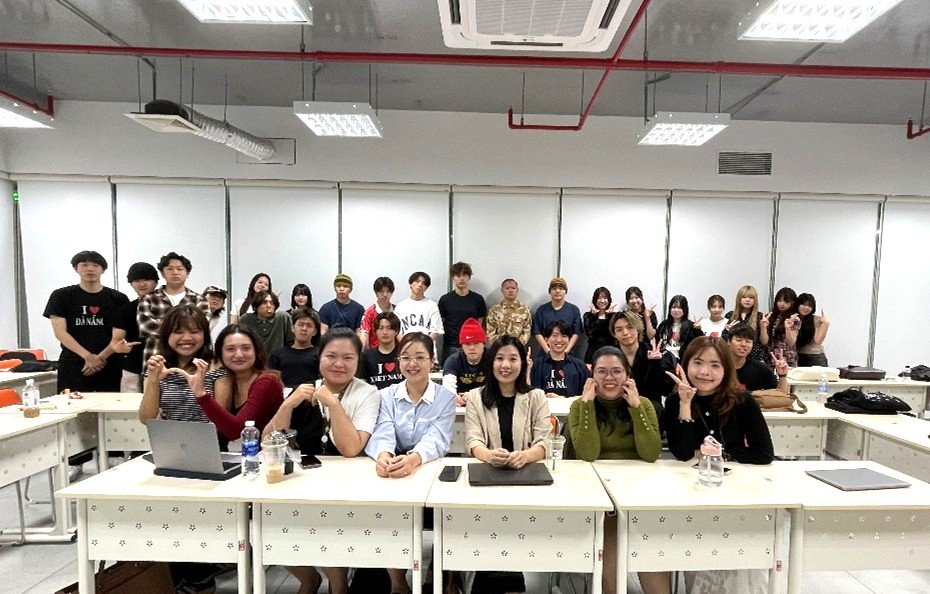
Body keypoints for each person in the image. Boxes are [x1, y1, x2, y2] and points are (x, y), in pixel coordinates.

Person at [263, 327, 381, 594]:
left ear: (358, 361)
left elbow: (351, 448)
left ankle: (338, 586)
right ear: (320, 358)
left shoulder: (367, 393)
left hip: (349, 482)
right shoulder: (303, 390)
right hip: (304, 479)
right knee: (269, 523)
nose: (339, 364)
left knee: (326, 523)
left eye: (348, 358)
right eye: (331, 356)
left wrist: (334, 404)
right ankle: (309, 578)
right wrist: (287, 405)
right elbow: (268, 442)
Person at [136, 304, 226, 593]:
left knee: (196, 519)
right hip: (170, 451)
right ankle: (177, 580)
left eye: (194, 331)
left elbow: (222, 420)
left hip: (210, 451)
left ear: (204, 334)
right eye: (178, 331)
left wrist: (199, 386)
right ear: (167, 335)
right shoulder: (158, 367)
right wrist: (153, 380)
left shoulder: (216, 368)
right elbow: (147, 418)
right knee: (169, 520)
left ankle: (202, 580)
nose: (187, 338)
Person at [566, 346, 665, 594]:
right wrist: (587, 404)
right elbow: (588, 454)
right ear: (592, 375)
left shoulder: (644, 405)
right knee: (610, 542)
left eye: (616, 371)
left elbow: (651, 453)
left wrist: (635, 407)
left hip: (637, 492)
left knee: (649, 546)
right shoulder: (580, 406)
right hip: (598, 494)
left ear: (627, 375)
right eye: (601, 372)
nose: (609, 378)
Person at [366, 332, 456, 594]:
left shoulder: (445, 398)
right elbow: (382, 430)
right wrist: (383, 455)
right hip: (394, 468)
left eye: (419, 357)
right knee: (388, 513)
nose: (412, 363)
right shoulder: (385, 395)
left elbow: (437, 438)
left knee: (444, 515)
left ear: (432, 361)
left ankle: (436, 573)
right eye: (405, 357)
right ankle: (397, 581)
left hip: (428, 469)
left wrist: (414, 459)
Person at [464, 335, 550, 594]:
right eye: (500, 358)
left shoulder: (536, 397)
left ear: (523, 363)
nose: (506, 365)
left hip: (526, 478)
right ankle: (488, 579)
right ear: (491, 362)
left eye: (513, 359)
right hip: (489, 476)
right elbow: (472, 440)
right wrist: (489, 455)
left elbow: (544, 441)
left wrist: (525, 455)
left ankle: (510, 579)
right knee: (488, 529)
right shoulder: (476, 397)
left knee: (514, 532)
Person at [663, 336, 775, 465]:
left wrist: (717, 454)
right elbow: (683, 454)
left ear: (726, 370)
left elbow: (764, 454)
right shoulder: (675, 401)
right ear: (685, 365)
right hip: (689, 474)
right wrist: (685, 404)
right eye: (698, 363)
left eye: (715, 365)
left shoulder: (742, 400)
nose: (704, 372)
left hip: (734, 473)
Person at [178, 325, 284, 442]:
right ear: (220, 354)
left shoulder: (267, 382)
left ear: (256, 351)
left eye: (246, 348)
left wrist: (201, 394)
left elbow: (236, 431)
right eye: (230, 349)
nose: (239, 355)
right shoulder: (223, 379)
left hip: (266, 451)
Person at [44, 250, 130, 393]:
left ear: (103, 269)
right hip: (73, 362)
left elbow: (120, 334)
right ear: (75, 268)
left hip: (109, 362)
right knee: (71, 403)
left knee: (109, 404)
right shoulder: (61, 296)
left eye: (95, 265)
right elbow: (60, 333)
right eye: (84, 265)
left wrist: (100, 358)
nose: (90, 269)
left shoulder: (118, 298)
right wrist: (88, 357)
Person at [137, 252, 210, 364]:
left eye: (180, 269)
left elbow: (203, 326)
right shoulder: (148, 299)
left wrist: (162, 323)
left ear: (187, 273)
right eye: (170, 269)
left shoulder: (199, 300)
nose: (175, 272)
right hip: (156, 357)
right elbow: (146, 327)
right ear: (162, 273)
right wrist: (185, 327)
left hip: (192, 360)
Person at [611, 311, 675, 419]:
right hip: (619, 409)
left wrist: (657, 364)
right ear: (614, 334)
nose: (625, 333)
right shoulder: (610, 357)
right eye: (619, 330)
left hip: (648, 409)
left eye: (630, 327)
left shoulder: (652, 352)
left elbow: (666, 390)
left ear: (638, 329)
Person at [110, 261, 159, 392]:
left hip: (163, 365)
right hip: (132, 366)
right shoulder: (125, 310)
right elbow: (115, 342)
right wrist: (119, 347)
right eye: (137, 280)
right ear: (131, 283)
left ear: (156, 282)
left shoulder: (167, 306)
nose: (142, 284)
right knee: (130, 403)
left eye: (147, 279)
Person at [437, 262, 487, 362]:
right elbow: (440, 323)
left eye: (464, 275)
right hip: (451, 345)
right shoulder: (445, 299)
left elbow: (480, 323)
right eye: (458, 275)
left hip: (472, 345)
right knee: (450, 370)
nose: (461, 278)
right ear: (453, 278)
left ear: (469, 277)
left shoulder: (477, 299)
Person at [531, 320, 589, 397]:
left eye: (564, 336)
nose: (559, 340)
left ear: (569, 340)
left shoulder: (579, 366)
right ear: (546, 340)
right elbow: (530, 392)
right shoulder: (536, 365)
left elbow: (587, 393)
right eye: (555, 335)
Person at [726, 323, 789, 393]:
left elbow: (781, 395)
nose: (743, 344)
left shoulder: (761, 369)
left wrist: (782, 376)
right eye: (739, 340)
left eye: (748, 341)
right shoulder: (720, 366)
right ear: (728, 342)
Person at [269, 307, 321, 388]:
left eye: (309, 325)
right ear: (293, 328)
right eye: (300, 324)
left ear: (315, 331)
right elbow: (273, 380)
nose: (304, 329)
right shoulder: (277, 354)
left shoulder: (320, 354)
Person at [532, 276, 583, 356]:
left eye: (561, 288)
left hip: (568, 354)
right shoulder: (541, 310)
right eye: (554, 288)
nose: (557, 291)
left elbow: (576, 332)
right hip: (545, 353)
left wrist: (566, 351)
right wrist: (548, 351)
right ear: (550, 291)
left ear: (565, 291)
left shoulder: (574, 310)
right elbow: (537, 332)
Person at [442, 318, 487, 405]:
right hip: (460, 404)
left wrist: (473, 396)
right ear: (462, 346)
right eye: (467, 343)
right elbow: (448, 386)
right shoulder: (453, 361)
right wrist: (453, 397)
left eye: (476, 343)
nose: (472, 348)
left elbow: (498, 386)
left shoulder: (492, 358)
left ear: (483, 344)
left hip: (486, 402)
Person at [356, 311, 405, 390]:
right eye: (381, 328)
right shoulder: (366, 356)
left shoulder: (404, 355)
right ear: (376, 331)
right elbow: (360, 385)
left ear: (396, 331)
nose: (385, 332)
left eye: (389, 328)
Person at [394, 271, 443, 343]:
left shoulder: (432, 305)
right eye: (417, 281)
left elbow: (435, 330)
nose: (420, 285)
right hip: (406, 347)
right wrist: (408, 345)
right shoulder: (400, 306)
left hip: (426, 347)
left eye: (423, 283)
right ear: (410, 284)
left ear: (426, 288)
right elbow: (397, 331)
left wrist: (422, 346)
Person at [760, 287, 800, 367]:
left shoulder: (794, 319)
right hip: (770, 357)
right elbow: (764, 342)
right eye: (779, 301)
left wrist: (788, 328)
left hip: (786, 358)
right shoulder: (770, 316)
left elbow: (791, 343)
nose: (782, 304)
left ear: (792, 303)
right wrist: (763, 327)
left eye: (786, 301)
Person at [485, 278, 532, 346]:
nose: (510, 291)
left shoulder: (524, 310)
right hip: (499, 348)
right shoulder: (494, 310)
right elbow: (490, 332)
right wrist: (500, 346)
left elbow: (526, 331)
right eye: (507, 288)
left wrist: (517, 346)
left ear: (517, 290)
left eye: (513, 288)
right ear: (502, 290)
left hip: (518, 348)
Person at [724, 285, 765, 362]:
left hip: (755, 358)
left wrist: (763, 327)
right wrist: (727, 331)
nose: (747, 300)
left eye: (751, 297)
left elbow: (764, 342)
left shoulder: (760, 316)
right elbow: (725, 340)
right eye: (744, 297)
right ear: (739, 299)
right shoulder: (730, 315)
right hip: (734, 357)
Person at [655, 295, 700, 360]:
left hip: (683, 360)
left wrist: (698, 330)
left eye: (679, 308)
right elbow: (658, 341)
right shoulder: (663, 325)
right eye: (673, 307)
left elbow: (698, 344)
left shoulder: (691, 326)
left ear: (685, 309)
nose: (676, 310)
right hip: (665, 360)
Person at [358, 276, 396, 349]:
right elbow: (364, 334)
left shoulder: (397, 310)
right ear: (376, 293)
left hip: (394, 351)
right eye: (381, 291)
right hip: (375, 351)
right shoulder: (369, 312)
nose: (385, 294)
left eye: (388, 291)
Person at [583, 286, 616, 363]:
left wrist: (611, 316)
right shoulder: (588, 315)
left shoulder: (614, 316)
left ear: (609, 300)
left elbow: (614, 335)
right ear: (595, 300)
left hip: (610, 352)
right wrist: (594, 316)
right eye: (599, 298)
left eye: (605, 298)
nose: (602, 301)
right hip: (593, 352)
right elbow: (590, 334)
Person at [796, 293, 830, 366]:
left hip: (815, 357)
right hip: (798, 356)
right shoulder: (793, 319)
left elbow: (818, 341)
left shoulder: (815, 320)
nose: (806, 308)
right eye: (804, 304)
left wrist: (826, 324)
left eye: (810, 306)